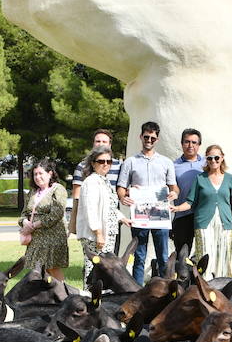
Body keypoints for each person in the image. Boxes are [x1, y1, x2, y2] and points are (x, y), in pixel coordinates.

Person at [117, 121, 178, 284]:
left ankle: (165, 288)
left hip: (160, 216)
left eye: (152, 138)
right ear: (141, 137)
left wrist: (173, 193)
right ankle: (138, 289)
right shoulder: (130, 162)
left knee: (163, 256)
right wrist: (124, 196)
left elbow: (175, 188)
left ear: (157, 139)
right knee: (139, 256)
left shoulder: (166, 162)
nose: (149, 140)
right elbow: (121, 188)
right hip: (140, 217)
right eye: (146, 137)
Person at [171, 143, 232, 278]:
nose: (213, 161)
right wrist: (176, 208)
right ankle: (204, 288)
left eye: (216, 158)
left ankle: (222, 289)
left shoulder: (230, 179)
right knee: (205, 258)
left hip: (225, 223)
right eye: (210, 158)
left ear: (222, 158)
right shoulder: (200, 178)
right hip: (203, 224)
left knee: (223, 258)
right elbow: (190, 202)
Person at [75, 150, 123, 286]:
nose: (105, 164)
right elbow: (90, 210)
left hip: (108, 234)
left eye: (109, 161)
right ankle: (89, 299)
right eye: (101, 161)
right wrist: (98, 233)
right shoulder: (91, 182)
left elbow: (109, 208)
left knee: (105, 270)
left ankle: (101, 298)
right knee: (93, 270)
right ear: (93, 163)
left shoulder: (105, 181)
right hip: (96, 236)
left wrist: (123, 218)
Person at [20, 159, 70, 281]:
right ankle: (45, 297)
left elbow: (57, 213)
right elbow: (24, 213)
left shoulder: (58, 189)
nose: (37, 177)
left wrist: (37, 224)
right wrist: (25, 222)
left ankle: (64, 295)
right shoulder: (32, 192)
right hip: (36, 239)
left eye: (40, 173)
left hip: (52, 237)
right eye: (35, 174)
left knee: (52, 268)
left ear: (50, 173)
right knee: (38, 270)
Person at [69, 127, 124, 236]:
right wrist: (73, 223)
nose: (101, 144)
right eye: (98, 141)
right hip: (90, 218)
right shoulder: (82, 166)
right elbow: (77, 196)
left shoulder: (119, 166)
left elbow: (122, 190)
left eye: (104, 141)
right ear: (93, 144)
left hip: (112, 217)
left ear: (110, 145)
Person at [170, 127, 205, 260]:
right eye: (187, 142)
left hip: (202, 214)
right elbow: (172, 187)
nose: (190, 145)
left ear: (199, 145)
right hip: (182, 215)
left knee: (203, 253)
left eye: (194, 142)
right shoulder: (173, 165)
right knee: (182, 254)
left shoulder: (207, 163)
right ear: (182, 144)